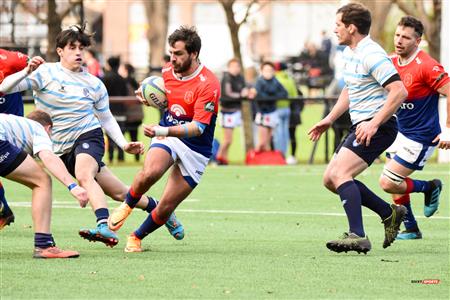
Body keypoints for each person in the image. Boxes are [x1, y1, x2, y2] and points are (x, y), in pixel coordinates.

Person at [0, 24, 184, 247]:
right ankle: (161, 208)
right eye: (72, 47)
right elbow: (6, 88)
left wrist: (124, 144)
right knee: (120, 193)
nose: (78, 52)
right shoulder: (45, 73)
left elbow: (105, 118)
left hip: (88, 135)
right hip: (60, 148)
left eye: (81, 48)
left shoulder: (94, 83)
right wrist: (26, 72)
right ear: (60, 51)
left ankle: (103, 225)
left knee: (83, 174)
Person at [108, 26, 220, 252]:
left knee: (167, 206)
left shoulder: (208, 84)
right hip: (168, 132)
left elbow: (198, 127)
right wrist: (147, 97)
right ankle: (127, 205)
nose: (173, 59)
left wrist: (162, 131)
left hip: (196, 147)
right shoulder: (168, 71)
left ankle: (136, 236)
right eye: (171, 53)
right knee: (151, 172)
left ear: (194, 54)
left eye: (178, 54)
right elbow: (166, 97)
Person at [308, 3, 408, 254]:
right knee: (330, 179)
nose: (334, 30)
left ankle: (358, 235)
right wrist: (330, 118)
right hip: (361, 125)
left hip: (379, 127)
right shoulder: (350, 53)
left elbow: (399, 91)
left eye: (338, 25)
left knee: (340, 175)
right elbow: (351, 88)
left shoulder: (371, 54)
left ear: (352, 28)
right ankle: (389, 213)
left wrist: (374, 123)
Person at [379, 16, 450, 240]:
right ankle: (411, 228)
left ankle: (430, 187)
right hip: (398, 131)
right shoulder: (389, 61)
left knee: (388, 181)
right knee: (393, 184)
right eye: (397, 35)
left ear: (417, 41)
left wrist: (448, 128)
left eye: (406, 37)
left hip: (421, 136)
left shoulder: (427, 66)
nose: (399, 40)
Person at [0, 110, 88, 258]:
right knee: (42, 181)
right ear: (48, 128)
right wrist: (73, 186)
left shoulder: (16, 126)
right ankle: (44, 245)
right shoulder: (38, 129)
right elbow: (48, 156)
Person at [216, 58, 255, 165]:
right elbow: (228, 93)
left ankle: (224, 158)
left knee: (230, 140)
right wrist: (241, 95)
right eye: (233, 66)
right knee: (227, 139)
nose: (235, 69)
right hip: (227, 112)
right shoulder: (226, 78)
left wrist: (248, 92)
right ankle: (219, 157)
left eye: (237, 66)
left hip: (236, 111)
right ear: (229, 68)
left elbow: (245, 89)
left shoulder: (240, 78)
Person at [254, 61, 287, 152]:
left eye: (270, 70)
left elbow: (284, 93)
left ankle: (266, 162)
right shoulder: (259, 82)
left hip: (272, 112)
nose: (268, 72)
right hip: (263, 113)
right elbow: (260, 96)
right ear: (262, 71)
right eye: (266, 70)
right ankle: (255, 159)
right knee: (262, 142)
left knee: (269, 141)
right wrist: (272, 96)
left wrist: (271, 97)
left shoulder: (275, 81)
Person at [102, 56, 129, 163]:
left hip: (108, 111)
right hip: (121, 111)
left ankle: (111, 158)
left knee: (109, 135)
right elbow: (125, 94)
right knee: (120, 134)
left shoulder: (104, 78)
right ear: (118, 65)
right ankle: (121, 158)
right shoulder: (122, 79)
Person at [119, 62, 144, 162]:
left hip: (129, 114)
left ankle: (121, 158)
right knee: (135, 136)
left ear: (125, 70)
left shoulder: (125, 82)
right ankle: (137, 158)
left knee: (122, 137)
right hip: (138, 115)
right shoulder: (135, 82)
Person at [274, 62, 298, 159]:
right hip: (287, 108)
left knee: (278, 133)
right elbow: (294, 95)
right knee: (285, 132)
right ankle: (285, 153)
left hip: (277, 109)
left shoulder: (275, 79)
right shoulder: (289, 79)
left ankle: (280, 154)